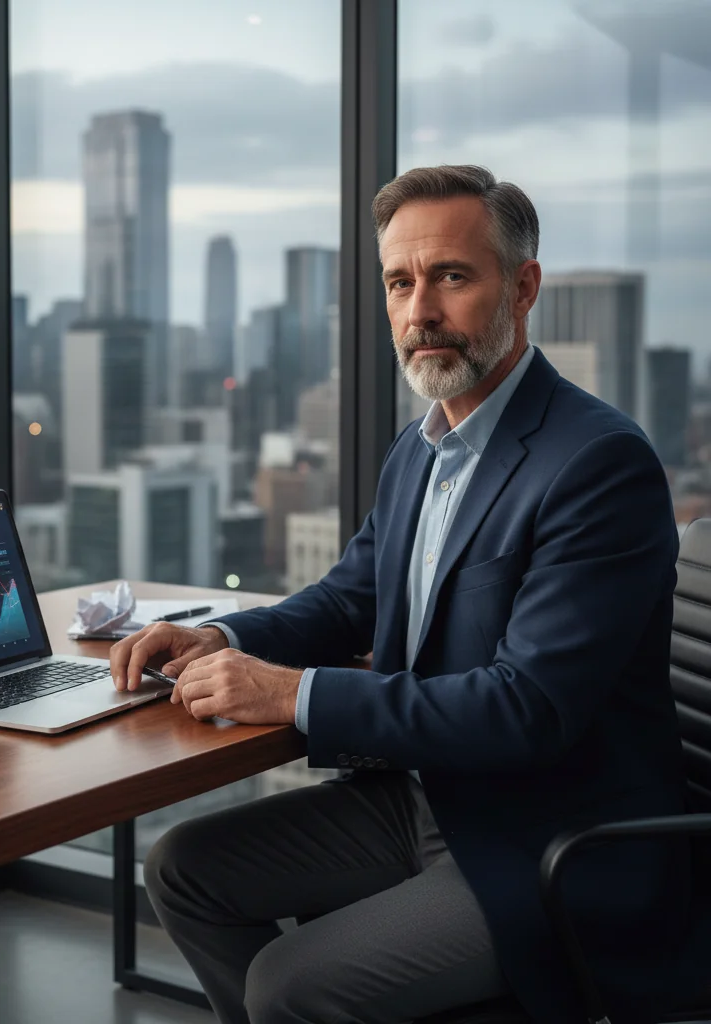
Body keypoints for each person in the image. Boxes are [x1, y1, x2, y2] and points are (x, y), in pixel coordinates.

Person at [109, 165, 690, 1024]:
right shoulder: (419, 448)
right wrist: (223, 640)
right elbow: (351, 599)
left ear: (522, 288)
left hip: (547, 837)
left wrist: (293, 694)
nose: (420, 310)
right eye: (399, 281)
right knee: (183, 869)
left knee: (289, 985)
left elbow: (525, 710)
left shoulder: (597, 462)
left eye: (451, 277)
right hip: (426, 796)